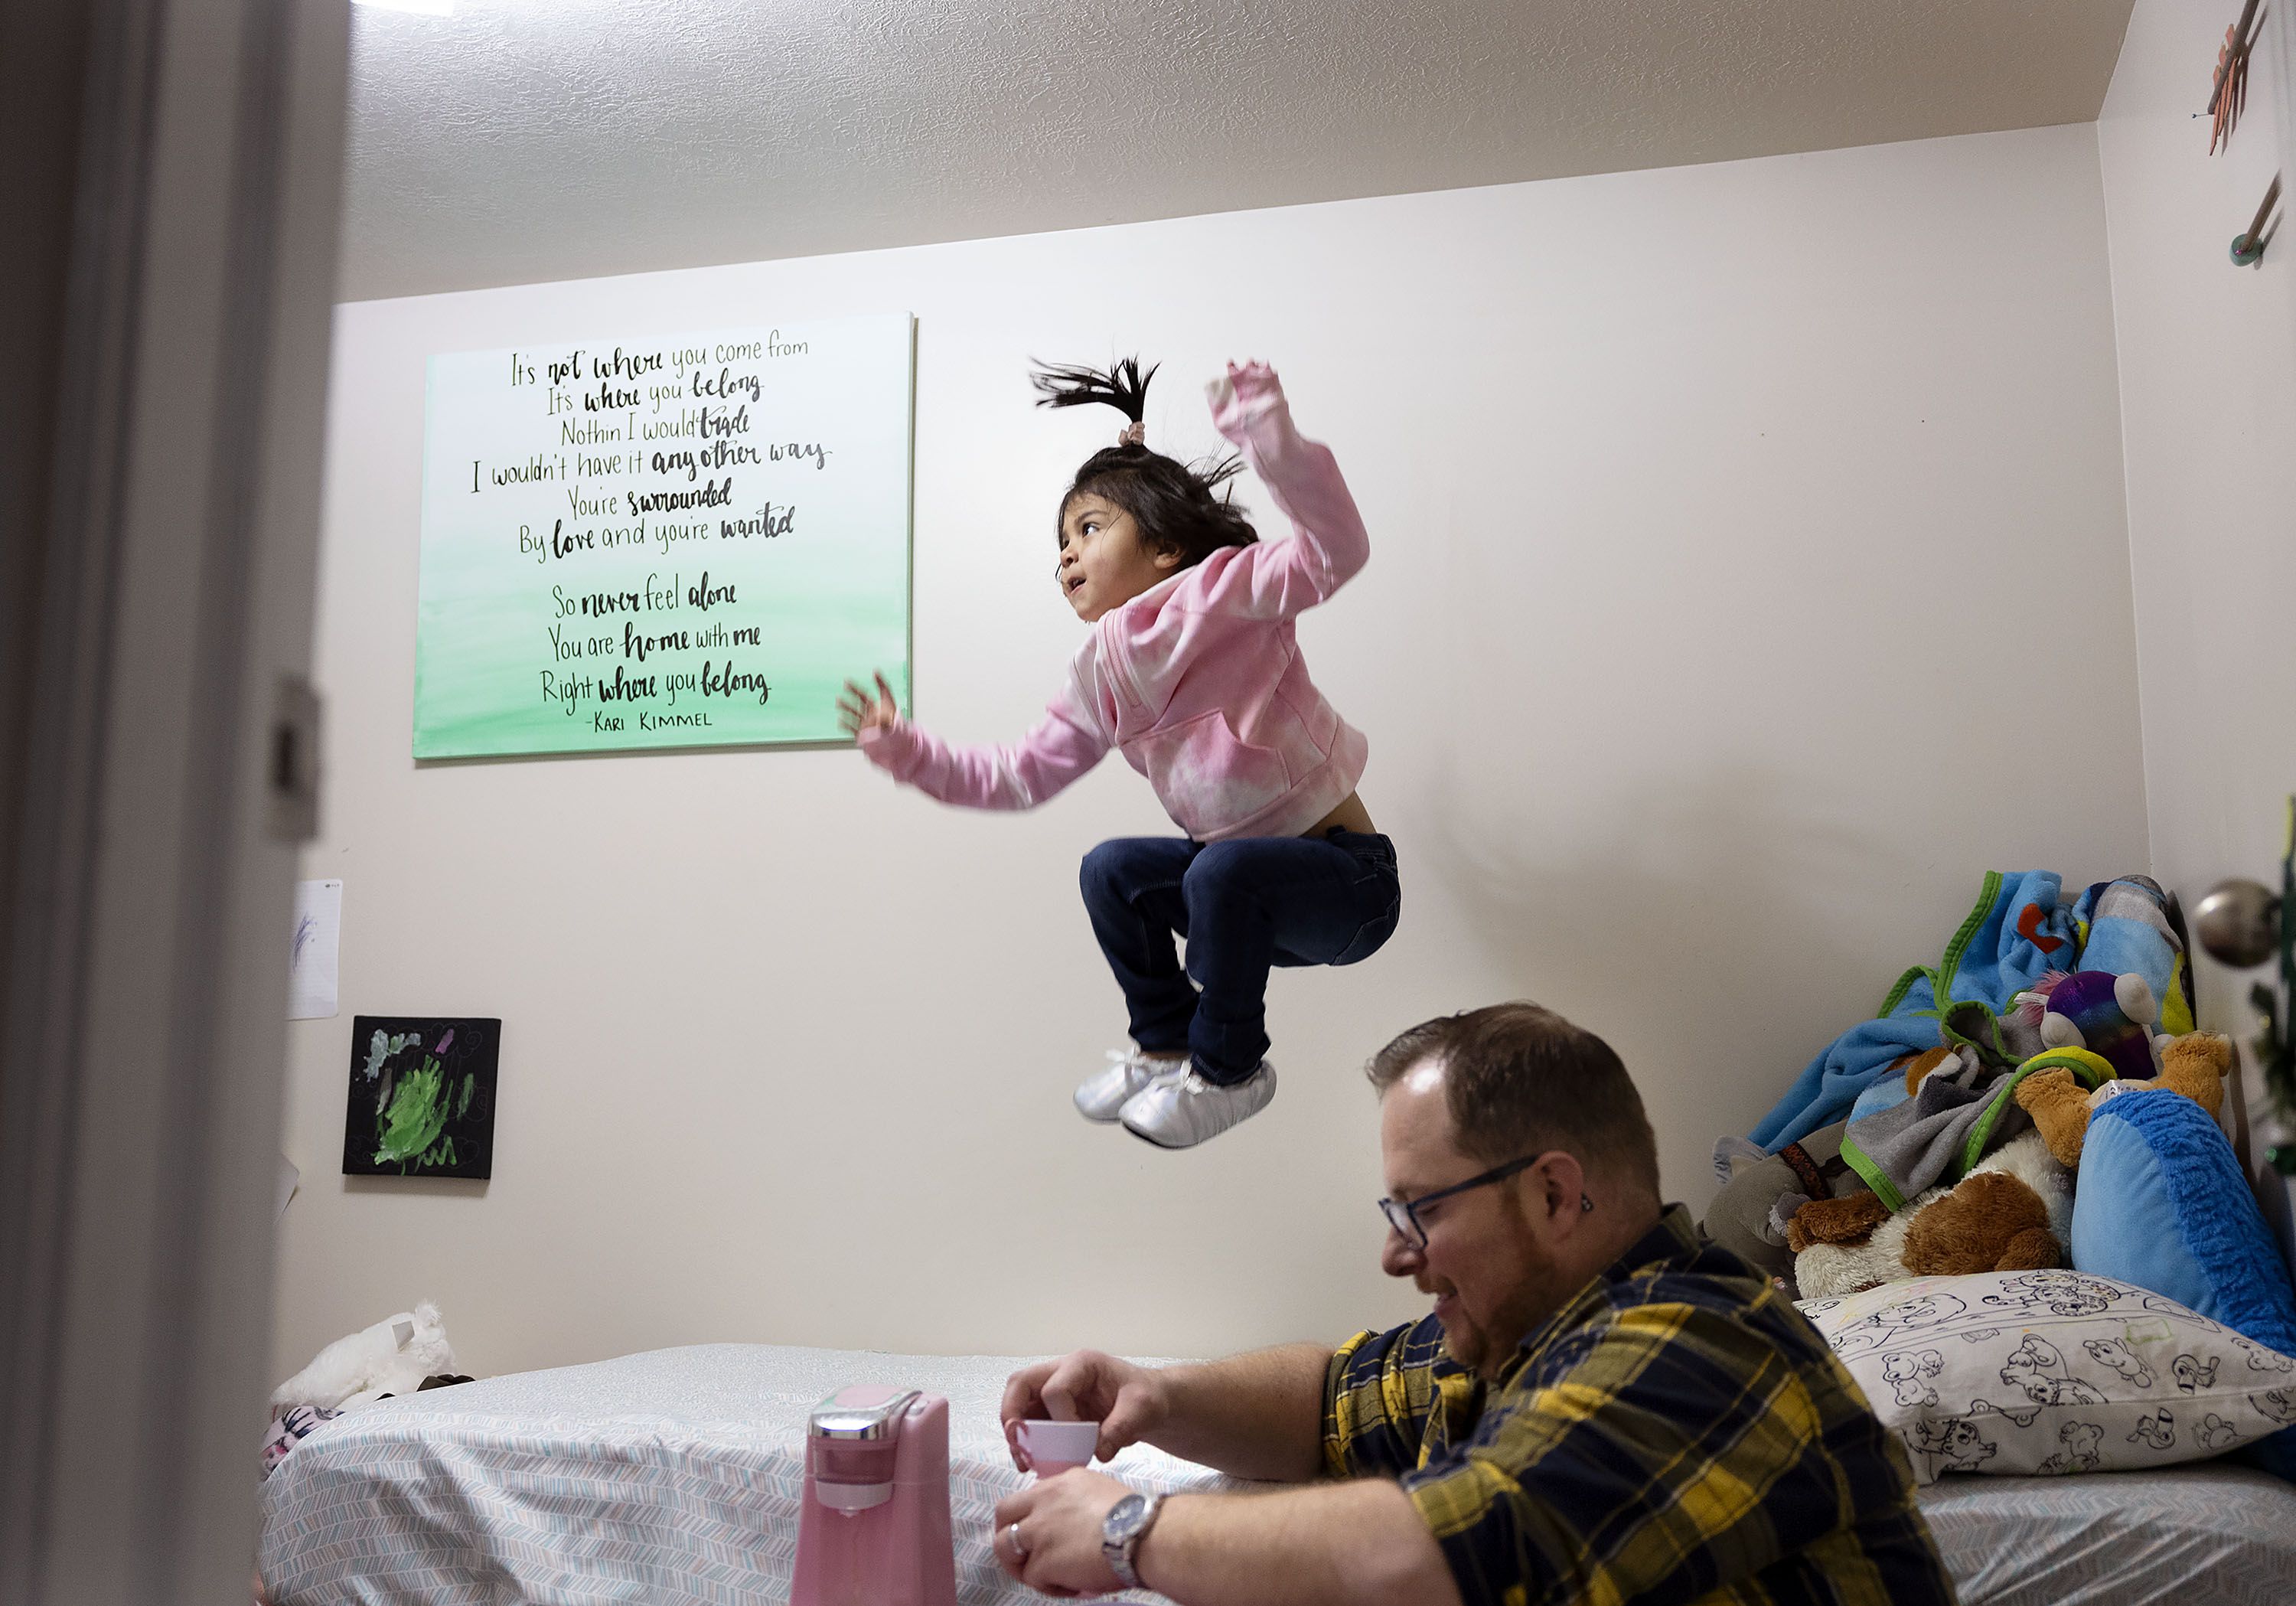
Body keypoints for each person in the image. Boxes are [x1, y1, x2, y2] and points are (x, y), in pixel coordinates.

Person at [989, 1003, 1958, 1606]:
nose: (1394, 1250)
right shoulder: (1522, 1338)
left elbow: (1443, 1558)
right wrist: (1152, 1395)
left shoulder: (1701, 1345)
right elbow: (1329, 1398)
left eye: (1422, 1210)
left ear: (1550, 1191)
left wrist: (1129, 1532)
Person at [838, 357, 1398, 1149]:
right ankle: (1166, 1043)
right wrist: (908, 753)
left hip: (1348, 889)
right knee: (1112, 869)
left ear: (1166, 544)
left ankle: (1231, 1067)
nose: (1066, 555)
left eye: (1089, 529)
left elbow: (1337, 547)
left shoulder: (1229, 592)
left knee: (1219, 867)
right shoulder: (1100, 670)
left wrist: (1270, 438)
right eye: (1060, 542)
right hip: (1241, 906)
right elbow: (1019, 776)